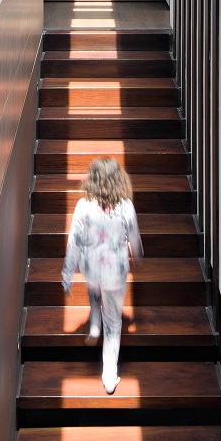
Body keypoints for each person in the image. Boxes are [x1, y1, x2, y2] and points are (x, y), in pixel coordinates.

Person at [61, 157, 143, 394]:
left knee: (94, 288)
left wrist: (68, 271)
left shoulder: (83, 206)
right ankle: (109, 375)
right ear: (119, 180)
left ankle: (94, 323)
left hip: (91, 267)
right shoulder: (125, 207)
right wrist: (136, 254)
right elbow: (135, 241)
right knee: (114, 324)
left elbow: (74, 241)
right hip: (114, 273)